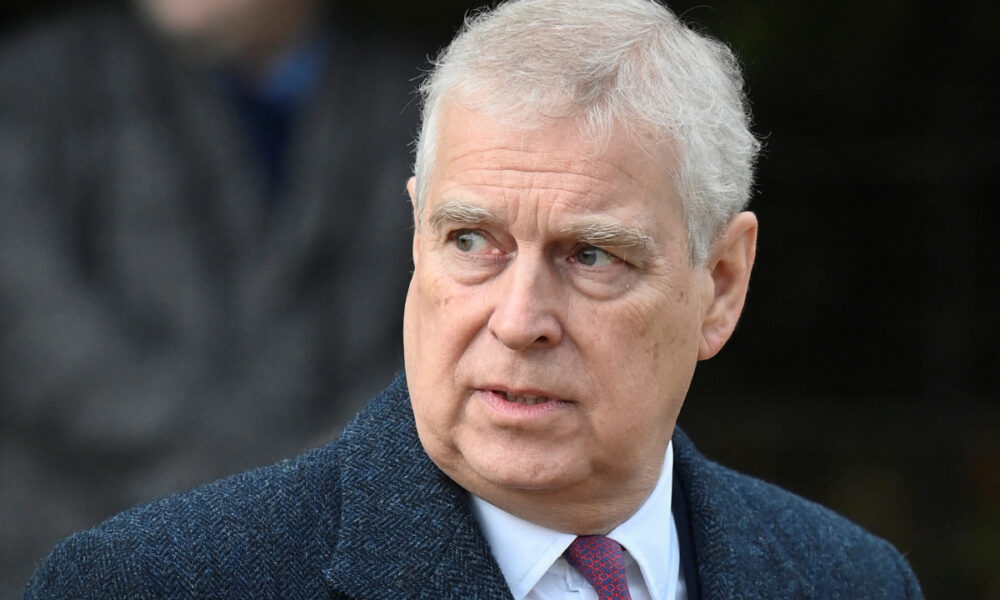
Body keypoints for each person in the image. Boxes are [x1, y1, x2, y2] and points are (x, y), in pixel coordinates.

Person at [21, 0, 924, 598]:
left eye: (591, 255)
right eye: (471, 242)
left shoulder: (852, 581)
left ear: (720, 284)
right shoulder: (150, 583)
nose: (518, 319)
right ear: (416, 236)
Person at [0, 0, 421, 594]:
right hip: (76, 544)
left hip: (344, 559)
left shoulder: (420, 100)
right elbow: (34, 330)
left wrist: (332, 475)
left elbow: (452, 324)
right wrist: (281, 482)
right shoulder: (33, 86)